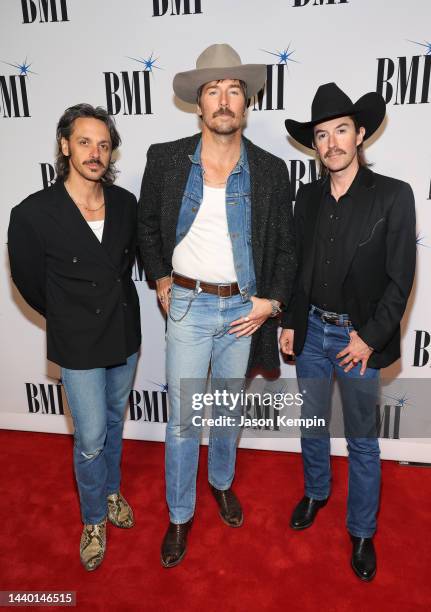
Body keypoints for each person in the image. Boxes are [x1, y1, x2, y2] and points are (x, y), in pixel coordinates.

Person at [138, 44, 296, 568]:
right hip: (185, 305)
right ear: (198, 104)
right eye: (213, 91)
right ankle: (180, 514)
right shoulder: (164, 159)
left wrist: (271, 301)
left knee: (225, 413)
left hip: (241, 311)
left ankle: (221, 483)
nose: (223, 101)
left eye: (233, 90)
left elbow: (287, 247)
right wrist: (161, 274)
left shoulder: (271, 171)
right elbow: (145, 226)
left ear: (246, 103)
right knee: (184, 420)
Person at [280, 82, 416, 581]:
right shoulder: (307, 197)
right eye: (321, 134)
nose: (332, 142)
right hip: (311, 331)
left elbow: (401, 280)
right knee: (313, 423)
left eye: (341, 130)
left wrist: (370, 338)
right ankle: (316, 492)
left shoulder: (394, 197)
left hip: (358, 338)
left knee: (361, 438)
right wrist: (293, 324)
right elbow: (297, 269)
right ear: (314, 145)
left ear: (359, 134)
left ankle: (361, 530)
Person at [8, 104, 141, 571]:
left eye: (103, 144)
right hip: (78, 341)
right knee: (89, 437)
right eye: (85, 142)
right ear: (65, 146)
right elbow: (27, 280)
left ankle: (110, 492)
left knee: (112, 421)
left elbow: (135, 262)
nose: (95, 152)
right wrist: (66, 315)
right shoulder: (33, 213)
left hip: (124, 334)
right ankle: (92, 519)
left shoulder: (125, 203)